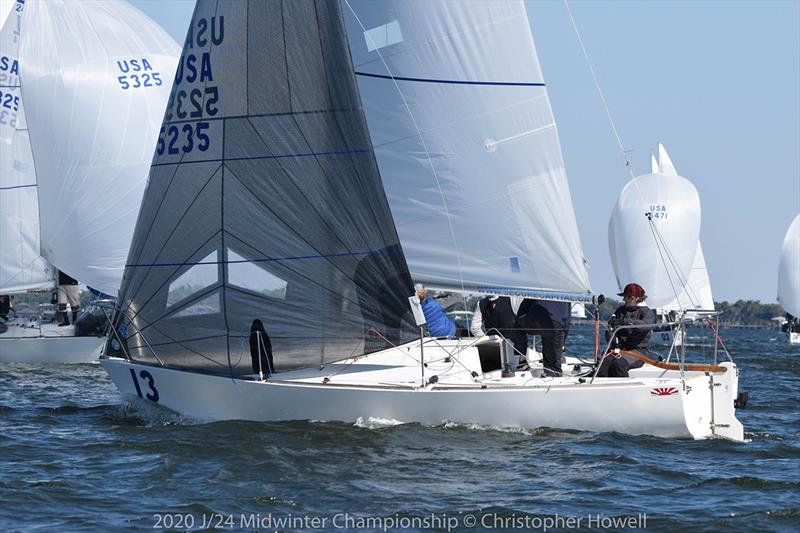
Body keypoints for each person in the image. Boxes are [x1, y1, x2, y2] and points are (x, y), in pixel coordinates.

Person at [597, 282, 657, 378]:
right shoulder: (620, 310)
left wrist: (625, 321)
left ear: (636, 298)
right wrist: (611, 335)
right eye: (624, 297)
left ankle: (623, 389)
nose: (624, 299)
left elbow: (646, 325)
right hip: (618, 350)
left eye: (627, 297)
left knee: (618, 364)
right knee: (603, 363)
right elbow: (611, 329)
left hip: (638, 352)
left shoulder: (647, 312)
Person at [471, 296, 531, 368]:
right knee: (519, 330)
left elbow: (474, 328)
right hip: (514, 347)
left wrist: (486, 342)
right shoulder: (512, 299)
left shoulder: (481, 303)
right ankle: (522, 361)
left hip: (492, 349)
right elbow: (524, 316)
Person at [516, 300, 572, 376]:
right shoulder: (564, 295)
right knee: (553, 366)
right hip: (556, 325)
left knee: (517, 324)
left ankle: (521, 358)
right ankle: (553, 375)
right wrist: (561, 345)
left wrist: (520, 319)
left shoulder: (537, 289)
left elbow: (523, 309)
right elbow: (567, 321)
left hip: (535, 320)